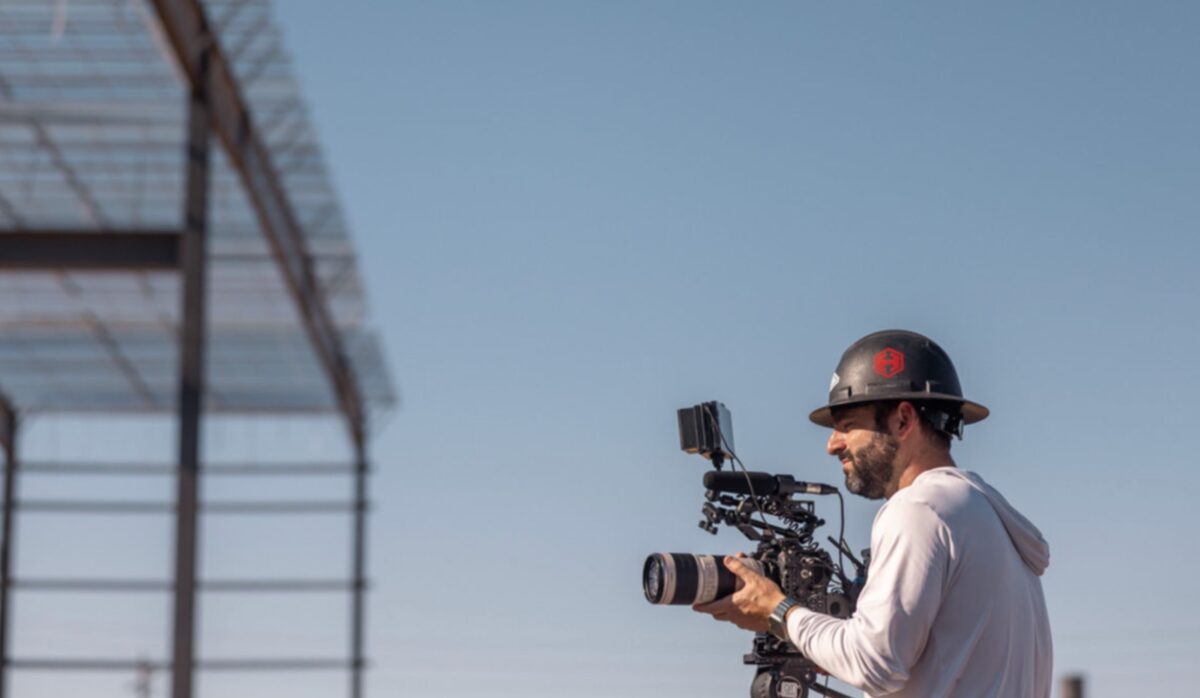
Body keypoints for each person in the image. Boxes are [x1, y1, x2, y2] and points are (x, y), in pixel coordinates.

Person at [693, 329, 1053, 697]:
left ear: (903, 420)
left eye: (847, 426)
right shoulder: (985, 517)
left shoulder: (919, 510)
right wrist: (819, 636)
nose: (832, 445)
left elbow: (875, 663)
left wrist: (777, 611)